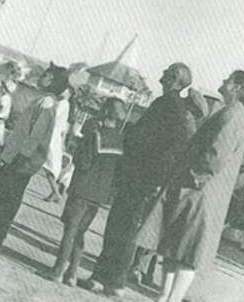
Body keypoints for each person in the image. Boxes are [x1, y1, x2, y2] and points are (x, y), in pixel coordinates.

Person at [137, 69, 244, 302]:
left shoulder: (232, 115)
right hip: (200, 193)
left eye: (228, 80)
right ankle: (165, 297)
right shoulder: (234, 114)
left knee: (187, 252)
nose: (223, 81)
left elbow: (216, 155)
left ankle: (172, 298)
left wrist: (194, 177)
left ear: (236, 88)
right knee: (175, 246)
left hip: (200, 194)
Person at [81, 63, 194, 298]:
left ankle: (106, 280)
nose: (161, 74)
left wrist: (130, 140)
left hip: (139, 177)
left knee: (119, 228)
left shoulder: (167, 105)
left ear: (174, 78)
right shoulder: (176, 108)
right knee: (127, 230)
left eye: (167, 72)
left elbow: (158, 145)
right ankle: (112, 281)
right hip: (144, 178)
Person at [0, 63, 70, 249]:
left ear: (52, 81)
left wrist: (21, 157)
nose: (41, 78)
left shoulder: (46, 103)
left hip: (22, 159)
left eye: (45, 75)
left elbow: (35, 135)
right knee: (6, 196)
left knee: (7, 198)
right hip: (20, 157)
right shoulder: (44, 101)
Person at [46, 97, 127, 286]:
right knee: (80, 232)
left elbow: (82, 162)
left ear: (105, 111)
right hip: (99, 194)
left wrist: (78, 146)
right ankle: (72, 274)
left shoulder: (94, 135)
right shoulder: (119, 140)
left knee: (70, 231)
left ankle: (58, 271)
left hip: (82, 189)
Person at [43, 86, 71, 202]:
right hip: (55, 137)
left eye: (66, 90)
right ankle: (55, 192)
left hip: (52, 136)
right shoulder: (63, 103)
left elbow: (52, 117)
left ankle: (56, 192)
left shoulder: (63, 103)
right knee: (49, 166)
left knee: (49, 167)